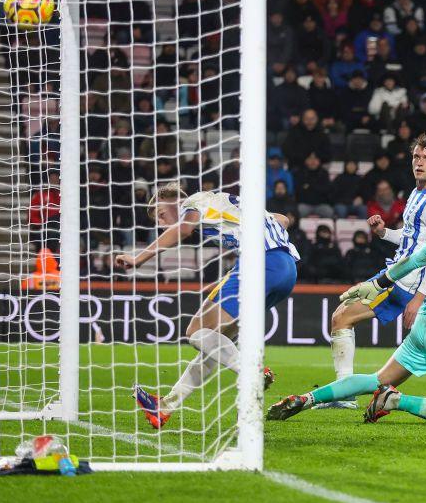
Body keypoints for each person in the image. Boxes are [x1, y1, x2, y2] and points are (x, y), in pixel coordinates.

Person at [267, 103, 426, 425]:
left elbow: (423, 254)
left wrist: (380, 284)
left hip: (420, 302)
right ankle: (393, 400)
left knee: (367, 360)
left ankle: (311, 398)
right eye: (416, 157)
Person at [122, 183, 299, 429]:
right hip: (287, 269)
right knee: (216, 341)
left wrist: (138, 258)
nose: (162, 223)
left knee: (196, 332)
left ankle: (251, 373)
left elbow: (183, 230)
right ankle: (165, 406)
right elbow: (282, 219)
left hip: (260, 262)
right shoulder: (224, 202)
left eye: (161, 215)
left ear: (175, 201)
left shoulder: (193, 201)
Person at [322, 135, 426, 409]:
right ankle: (345, 394)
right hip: (396, 272)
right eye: (416, 156)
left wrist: (420, 297)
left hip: (407, 281)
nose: (420, 162)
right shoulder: (417, 193)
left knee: (342, 317)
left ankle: (344, 394)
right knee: (342, 316)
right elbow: (413, 238)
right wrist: (384, 233)